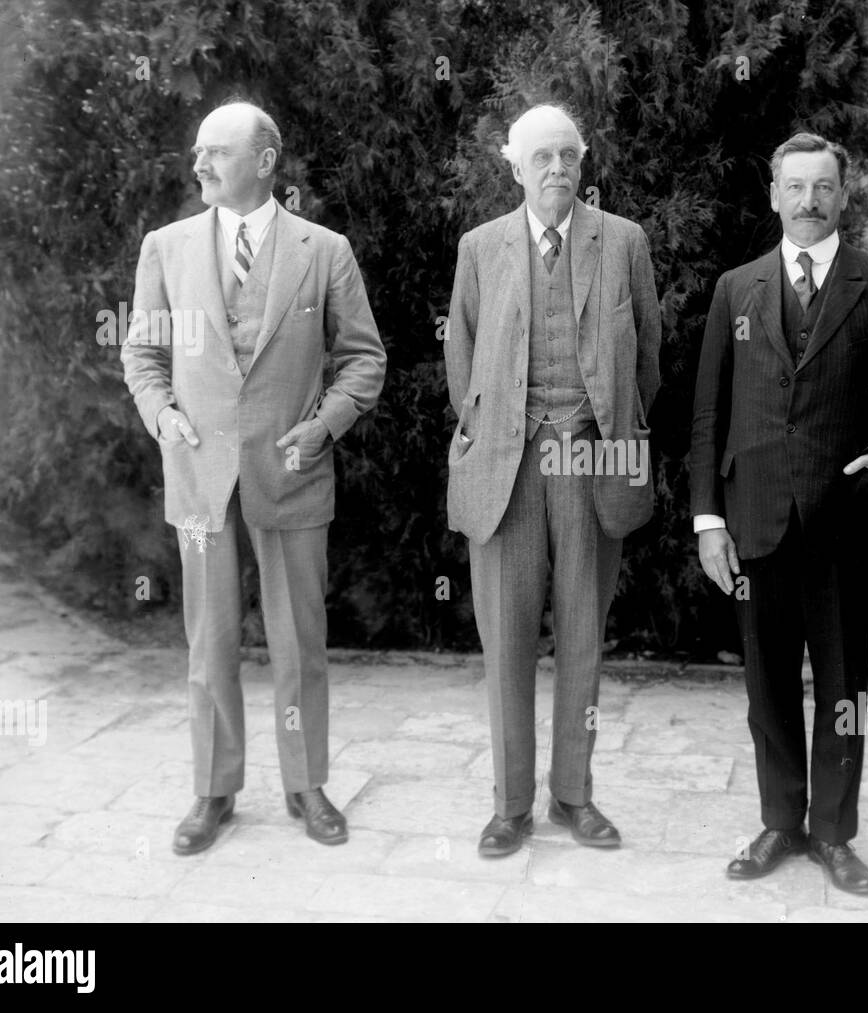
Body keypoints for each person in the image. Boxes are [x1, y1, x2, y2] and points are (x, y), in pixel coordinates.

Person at [690, 132, 868, 894]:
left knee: (843, 689)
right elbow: (707, 416)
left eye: (823, 188)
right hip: (756, 526)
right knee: (768, 688)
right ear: (773, 196)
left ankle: (833, 833)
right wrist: (707, 520)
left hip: (847, 525)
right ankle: (781, 822)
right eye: (796, 187)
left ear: (842, 196)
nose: (809, 201)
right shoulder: (735, 289)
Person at [121, 100, 386, 855]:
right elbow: (142, 355)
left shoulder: (324, 250)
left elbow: (365, 358)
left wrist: (324, 424)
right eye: (199, 152)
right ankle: (214, 789)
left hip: (293, 470)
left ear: (265, 161)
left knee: (300, 638)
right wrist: (161, 412)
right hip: (200, 474)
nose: (199, 164)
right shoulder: (165, 248)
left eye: (217, 152)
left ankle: (307, 784)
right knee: (208, 640)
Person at [444, 103, 661, 857]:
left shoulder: (624, 242)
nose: (557, 169)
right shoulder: (481, 247)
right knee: (505, 639)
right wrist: (503, 429)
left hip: (594, 459)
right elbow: (462, 365)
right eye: (541, 157)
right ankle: (510, 806)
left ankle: (574, 795)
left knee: (583, 636)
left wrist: (607, 429)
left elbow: (648, 362)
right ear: (514, 166)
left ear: (585, 158)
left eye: (568, 155)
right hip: (506, 463)